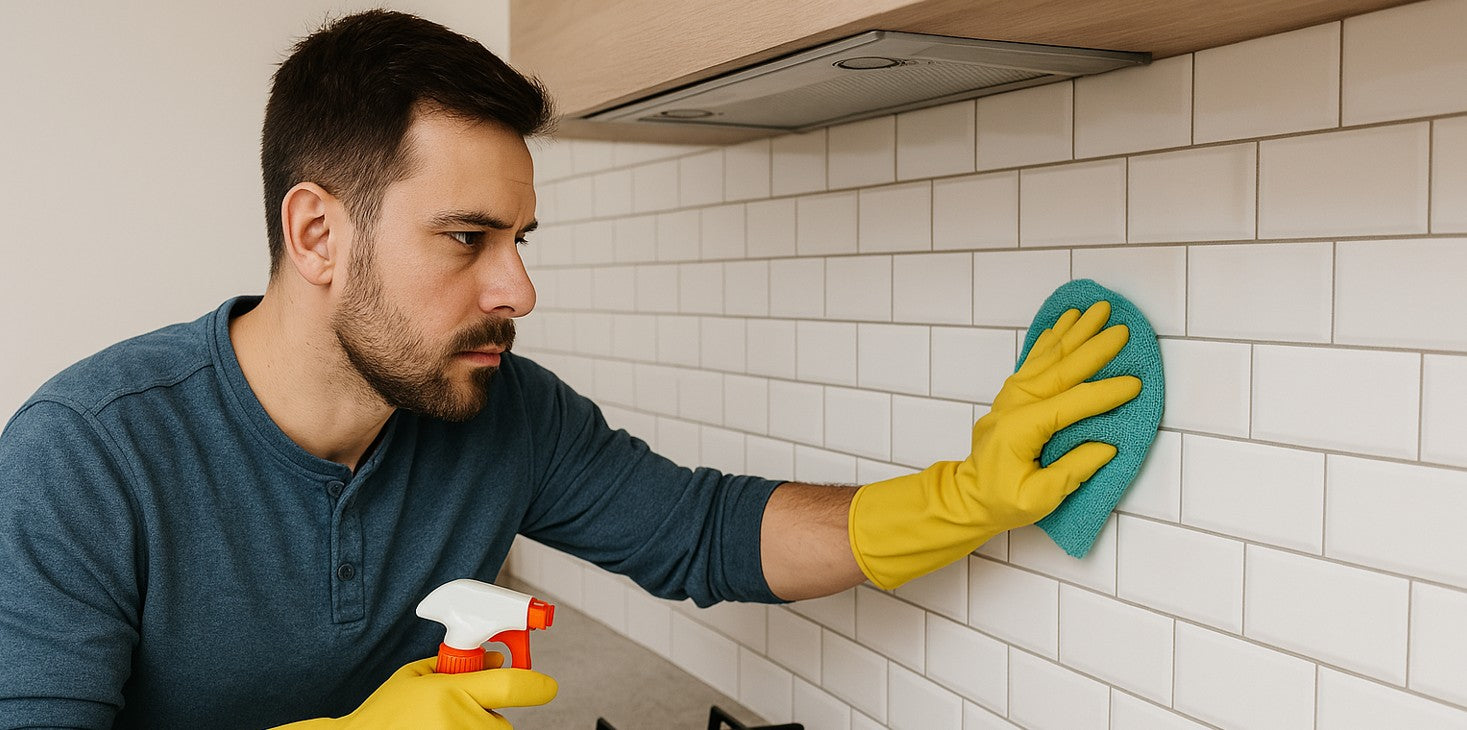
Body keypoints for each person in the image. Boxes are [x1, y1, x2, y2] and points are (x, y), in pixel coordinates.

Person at [0, 10, 1140, 729]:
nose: (518, 291)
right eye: (465, 239)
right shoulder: (85, 455)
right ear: (317, 237)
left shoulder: (501, 410)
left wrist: (963, 493)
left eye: (519, 240)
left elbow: (706, 533)